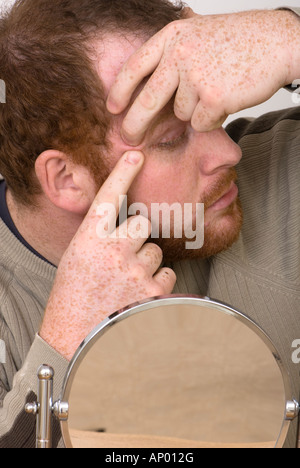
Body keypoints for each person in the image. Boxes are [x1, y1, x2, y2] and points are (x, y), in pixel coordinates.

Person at [0, 0, 299, 448]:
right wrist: (63, 344)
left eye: (212, 113)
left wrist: (291, 40)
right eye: (173, 138)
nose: (228, 153)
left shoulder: (277, 166)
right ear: (66, 179)